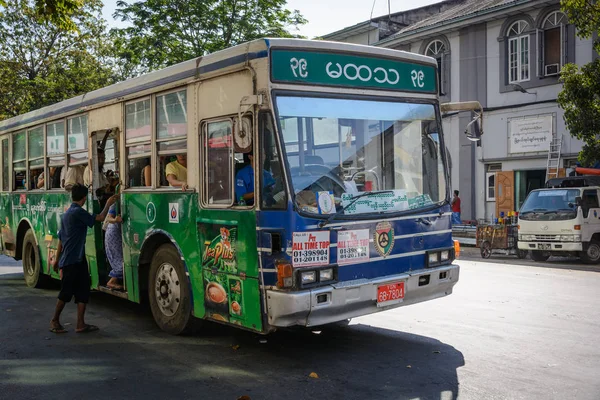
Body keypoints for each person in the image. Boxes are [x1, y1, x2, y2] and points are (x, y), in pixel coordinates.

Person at [49, 183, 118, 334]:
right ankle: (54, 320)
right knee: (66, 293)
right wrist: (108, 203)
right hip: (71, 261)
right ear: (84, 198)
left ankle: (80, 324)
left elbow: (61, 239)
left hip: (76, 259)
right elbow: (99, 218)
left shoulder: (66, 214)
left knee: (83, 291)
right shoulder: (78, 212)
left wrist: (56, 259)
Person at [104, 204, 124, 290]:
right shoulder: (115, 204)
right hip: (113, 235)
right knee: (120, 260)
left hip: (117, 233)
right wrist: (115, 219)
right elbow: (108, 218)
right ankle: (112, 281)